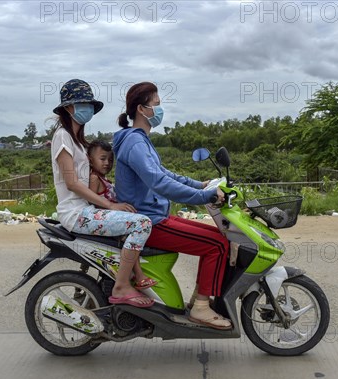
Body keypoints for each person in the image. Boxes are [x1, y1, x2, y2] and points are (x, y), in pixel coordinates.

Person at [112, 82, 232, 330]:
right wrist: (204, 197)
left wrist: (200, 185)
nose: (159, 109)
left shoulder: (141, 141)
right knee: (218, 244)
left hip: (155, 216)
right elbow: (159, 183)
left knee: (219, 235)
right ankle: (200, 308)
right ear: (141, 109)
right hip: (149, 222)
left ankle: (200, 299)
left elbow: (165, 174)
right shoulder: (135, 143)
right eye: (156, 104)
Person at [50, 79, 154, 308]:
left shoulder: (78, 141)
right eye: (82, 103)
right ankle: (122, 286)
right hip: (75, 213)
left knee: (134, 218)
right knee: (142, 224)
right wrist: (110, 206)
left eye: (89, 104)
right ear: (69, 107)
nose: (87, 109)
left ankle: (130, 278)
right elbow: (72, 183)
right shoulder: (62, 137)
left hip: (85, 210)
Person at [87, 140, 157, 290]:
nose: (107, 163)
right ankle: (138, 276)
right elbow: (92, 201)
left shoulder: (104, 179)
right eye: (102, 159)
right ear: (90, 161)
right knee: (132, 238)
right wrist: (113, 209)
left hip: (110, 217)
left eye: (110, 160)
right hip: (105, 219)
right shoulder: (94, 178)